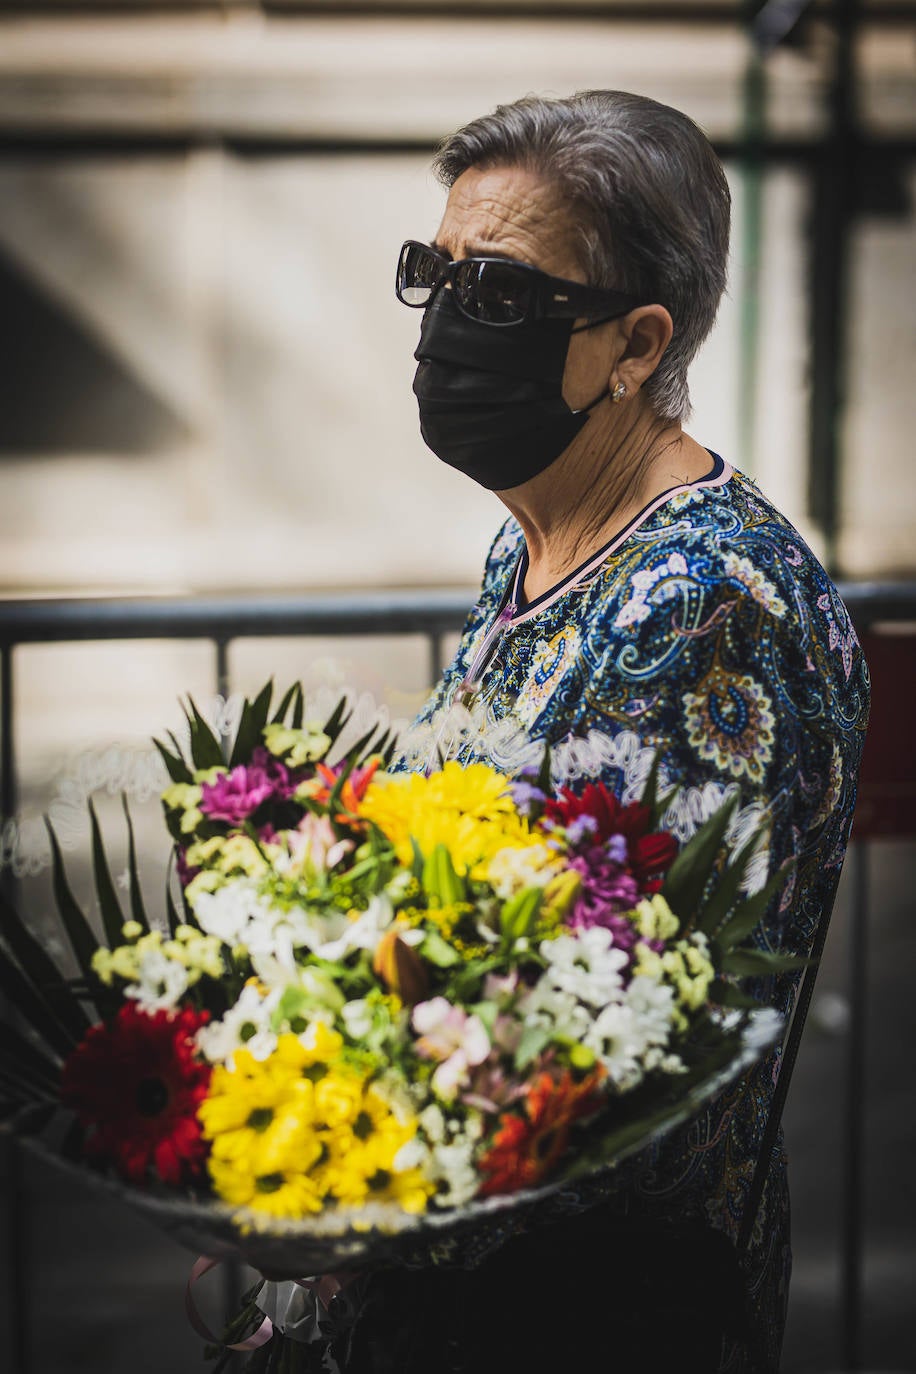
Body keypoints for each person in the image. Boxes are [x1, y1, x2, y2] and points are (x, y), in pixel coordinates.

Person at [338, 89, 869, 1374]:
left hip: (596, 1316)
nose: (454, 328)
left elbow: (640, 1067)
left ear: (637, 344)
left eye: (505, 295)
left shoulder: (704, 607)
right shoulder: (537, 534)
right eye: (439, 275)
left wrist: (332, 1179)